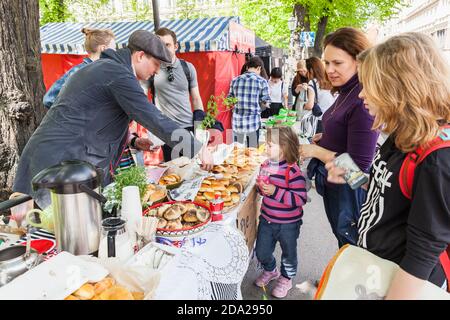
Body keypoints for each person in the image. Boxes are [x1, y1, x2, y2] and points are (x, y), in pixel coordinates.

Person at [13, 30, 213, 196]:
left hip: (65, 164)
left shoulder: (111, 69)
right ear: (140, 55)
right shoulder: (116, 73)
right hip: (57, 165)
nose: (158, 71)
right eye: (156, 64)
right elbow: (153, 117)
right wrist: (197, 148)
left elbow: (98, 118)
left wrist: (133, 141)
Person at [326, 32, 450, 298]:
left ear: (398, 88)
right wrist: (352, 175)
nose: (363, 94)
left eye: (370, 84)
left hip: (396, 283)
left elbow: (423, 251)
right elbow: (390, 188)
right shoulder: (404, 134)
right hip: (375, 270)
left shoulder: (436, 158)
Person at [299, 27, 379, 248]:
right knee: (342, 242)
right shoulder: (346, 90)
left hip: (349, 193)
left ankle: (347, 282)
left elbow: (358, 171)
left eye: (338, 63)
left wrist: (315, 151)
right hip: (337, 187)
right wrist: (325, 137)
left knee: (350, 246)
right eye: (327, 63)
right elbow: (345, 131)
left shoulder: (362, 99)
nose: (330, 70)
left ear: (359, 61)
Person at [254, 126, 307, 299]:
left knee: (289, 253)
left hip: (289, 224)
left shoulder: (293, 171)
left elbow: (300, 199)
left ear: (283, 147)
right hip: (267, 219)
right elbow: (264, 191)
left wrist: (275, 191)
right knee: (261, 251)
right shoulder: (265, 166)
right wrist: (262, 189)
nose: (265, 147)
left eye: (270, 145)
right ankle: (271, 270)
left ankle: (286, 278)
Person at [149, 27, 206, 162]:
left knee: (195, 169)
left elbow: (196, 99)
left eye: (167, 45)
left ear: (176, 46)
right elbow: (140, 97)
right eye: (159, 45)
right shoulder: (151, 69)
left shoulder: (188, 67)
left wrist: (200, 129)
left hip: (188, 128)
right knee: (174, 174)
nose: (163, 48)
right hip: (167, 130)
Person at [43, 28, 116, 108]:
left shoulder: (101, 72)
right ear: (103, 48)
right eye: (114, 48)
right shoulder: (80, 71)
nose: (115, 52)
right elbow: (49, 100)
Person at [228, 56, 270, 148]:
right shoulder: (262, 81)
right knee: (252, 152)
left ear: (247, 67)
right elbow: (266, 103)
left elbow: (229, 100)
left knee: (237, 152)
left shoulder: (234, 80)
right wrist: (259, 108)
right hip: (253, 122)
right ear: (259, 68)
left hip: (237, 122)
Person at [303, 57, 335, 134]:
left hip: (321, 120)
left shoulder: (313, 82)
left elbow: (310, 105)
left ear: (311, 70)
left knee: (319, 145)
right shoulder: (330, 80)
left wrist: (304, 106)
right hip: (334, 120)